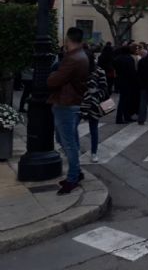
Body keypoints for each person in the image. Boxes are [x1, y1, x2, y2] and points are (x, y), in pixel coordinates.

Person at [48, 27, 90, 195]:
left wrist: (51, 76)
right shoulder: (82, 56)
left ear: (68, 39)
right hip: (72, 102)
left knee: (68, 142)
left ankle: (73, 177)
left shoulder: (73, 58)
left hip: (66, 103)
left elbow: (54, 80)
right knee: (69, 139)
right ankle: (76, 172)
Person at [79, 47, 109, 163]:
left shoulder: (99, 71)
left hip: (93, 104)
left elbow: (104, 88)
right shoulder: (78, 71)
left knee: (93, 129)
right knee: (73, 127)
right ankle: (76, 149)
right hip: (80, 103)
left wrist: (96, 96)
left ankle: (94, 152)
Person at [113, 44, 139, 123]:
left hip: (119, 80)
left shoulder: (117, 59)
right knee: (125, 100)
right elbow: (132, 71)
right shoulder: (129, 59)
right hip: (128, 81)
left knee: (123, 100)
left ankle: (122, 117)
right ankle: (124, 117)